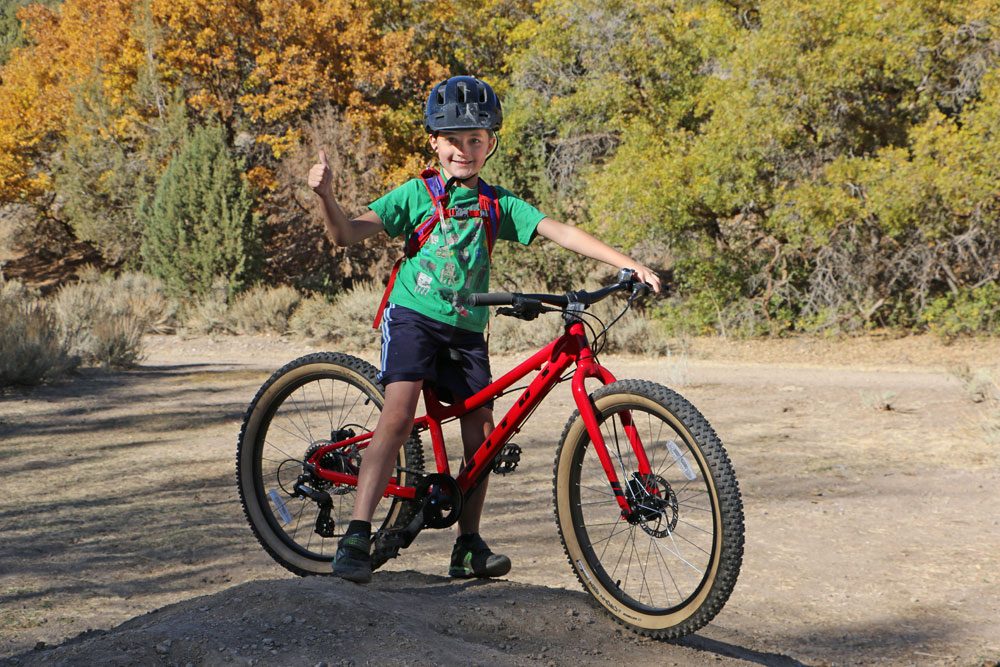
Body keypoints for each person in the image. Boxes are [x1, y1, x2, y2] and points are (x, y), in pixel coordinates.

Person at [308, 75, 661, 584]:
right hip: (413, 316)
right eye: (453, 140)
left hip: (467, 329)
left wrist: (627, 263)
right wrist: (326, 197)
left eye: (475, 139)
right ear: (434, 143)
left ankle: (467, 544)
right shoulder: (416, 194)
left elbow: (559, 230)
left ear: (490, 143)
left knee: (483, 436)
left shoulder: (498, 204)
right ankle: (357, 534)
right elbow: (345, 234)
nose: (464, 150)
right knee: (399, 415)